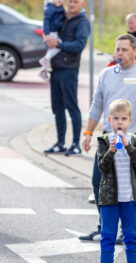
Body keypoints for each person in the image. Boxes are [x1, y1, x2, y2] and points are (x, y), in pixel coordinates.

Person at [79, 33, 136, 243]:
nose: (120, 53)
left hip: (135, 139)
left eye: (125, 49)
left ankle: (129, 233)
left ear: (135, 50)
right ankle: (104, 228)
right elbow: (97, 105)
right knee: (100, 182)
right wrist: (88, 133)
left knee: (131, 188)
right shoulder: (107, 73)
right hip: (108, 138)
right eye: (118, 49)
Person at [97, 99, 136, 263]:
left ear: (130, 121)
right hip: (109, 199)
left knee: (131, 237)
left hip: (131, 198)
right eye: (116, 118)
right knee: (107, 236)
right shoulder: (103, 140)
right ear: (110, 120)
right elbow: (102, 166)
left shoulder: (135, 139)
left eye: (123, 119)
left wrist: (127, 146)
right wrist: (110, 151)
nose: (119, 122)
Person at [43, 0, 90, 156]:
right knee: (57, 108)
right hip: (55, 69)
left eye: (75, 1)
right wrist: (49, 40)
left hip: (69, 70)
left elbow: (79, 45)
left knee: (72, 107)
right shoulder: (63, 17)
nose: (71, 4)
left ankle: (76, 144)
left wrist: (58, 44)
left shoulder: (82, 22)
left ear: (82, 3)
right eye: (69, 1)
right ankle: (60, 143)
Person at [39, 0, 65, 80]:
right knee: (59, 44)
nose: (60, 0)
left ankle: (44, 70)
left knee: (52, 49)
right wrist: (47, 34)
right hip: (51, 32)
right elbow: (46, 22)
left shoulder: (58, 8)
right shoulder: (50, 9)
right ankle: (45, 59)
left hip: (54, 32)